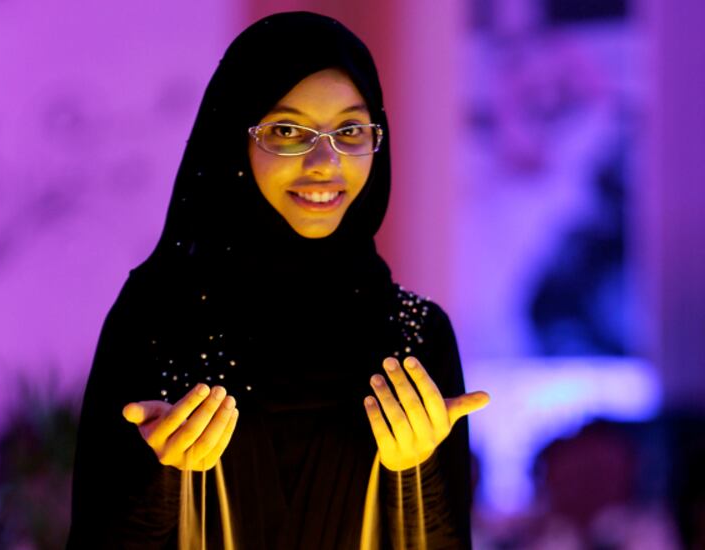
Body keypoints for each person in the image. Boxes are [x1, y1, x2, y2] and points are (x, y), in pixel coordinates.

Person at [68, 11, 489, 549]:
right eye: (287, 131)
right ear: (234, 143)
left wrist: (416, 474)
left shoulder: (416, 336)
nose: (324, 162)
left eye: (350, 130)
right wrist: (167, 480)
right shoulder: (156, 317)